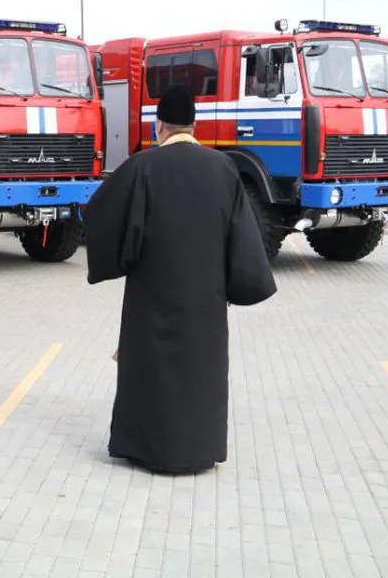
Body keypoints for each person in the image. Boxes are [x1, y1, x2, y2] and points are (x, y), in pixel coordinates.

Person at [85, 84, 277, 474]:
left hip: (152, 291)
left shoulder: (142, 167)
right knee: (199, 370)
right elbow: (242, 234)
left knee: (151, 368)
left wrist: (121, 256)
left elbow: (99, 212)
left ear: (160, 126)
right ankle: (200, 448)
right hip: (205, 295)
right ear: (194, 124)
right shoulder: (223, 168)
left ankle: (145, 448)